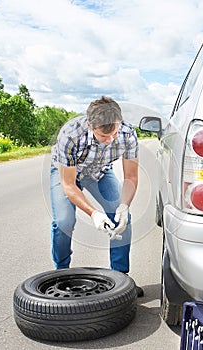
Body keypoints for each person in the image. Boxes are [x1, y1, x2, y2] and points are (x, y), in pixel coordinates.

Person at [50, 96, 144, 297]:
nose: (111, 140)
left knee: (122, 219)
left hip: (100, 172)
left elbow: (131, 177)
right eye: (104, 135)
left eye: (115, 133)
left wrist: (124, 206)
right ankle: (61, 272)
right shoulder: (70, 135)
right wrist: (93, 213)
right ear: (90, 125)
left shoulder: (128, 134)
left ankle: (121, 276)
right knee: (63, 221)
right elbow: (68, 184)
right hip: (68, 173)